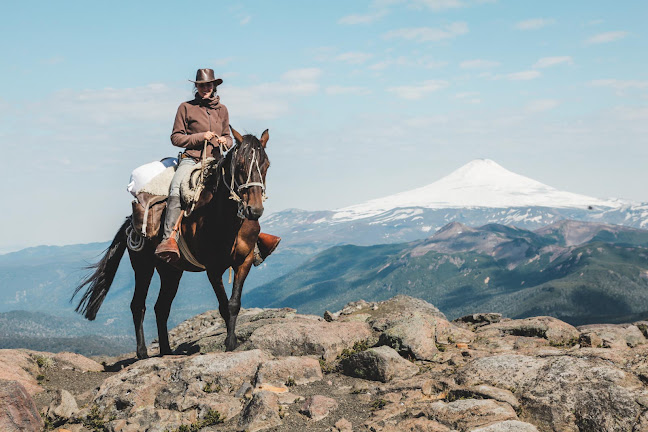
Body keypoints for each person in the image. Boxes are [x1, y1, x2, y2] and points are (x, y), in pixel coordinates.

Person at [155, 68, 232, 262]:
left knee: (239, 187)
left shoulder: (222, 110)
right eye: (201, 85)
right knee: (176, 187)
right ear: (196, 87)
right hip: (192, 159)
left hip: (216, 160)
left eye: (208, 84)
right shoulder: (185, 107)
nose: (205, 88)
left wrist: (225, 141)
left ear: (214, 86)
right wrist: (200, 137)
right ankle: (169, 238)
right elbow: (176, 137)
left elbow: (229, 137)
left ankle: (249, 238)